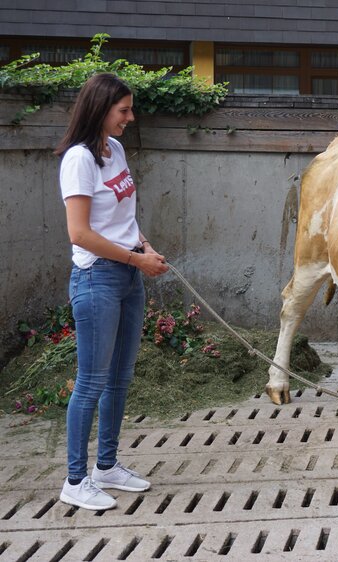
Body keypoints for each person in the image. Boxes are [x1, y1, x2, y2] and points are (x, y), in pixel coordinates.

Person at [55, 72, 169, 511]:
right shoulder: (78, 159)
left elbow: (122, 216)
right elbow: (80, 233)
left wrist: (143, 245)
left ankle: (106, 466)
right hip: (96, 277)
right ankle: (75, 479)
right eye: (123, 110)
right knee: (90, 383)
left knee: (119, 379)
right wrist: (134, 258)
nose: (130, 117)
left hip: (127, 274)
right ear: (101, 109)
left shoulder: (114, 149)